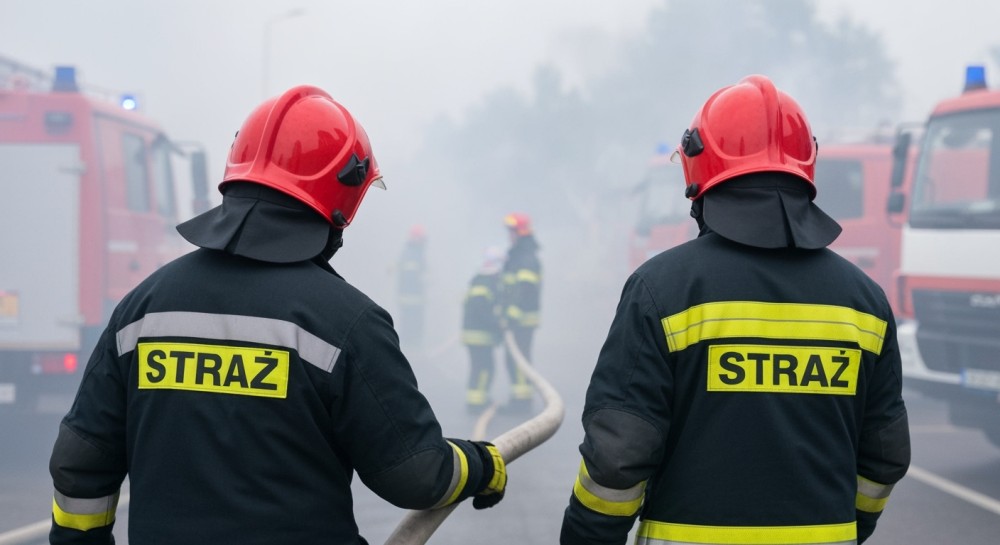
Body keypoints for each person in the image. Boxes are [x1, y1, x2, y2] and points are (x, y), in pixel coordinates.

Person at [47, 85, 506, 545]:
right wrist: (483, 465)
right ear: (343, 194)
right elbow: (416, 474)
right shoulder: (348, 323)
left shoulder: (141, 310)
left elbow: (81, 460)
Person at [560, 75, 910, 545]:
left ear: (696, 168)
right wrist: (850, 526)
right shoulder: (865, 302)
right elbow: (885, 454)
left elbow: (618, 457)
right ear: (806, 166)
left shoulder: (660, 290)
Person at [498, 212, 542, 414]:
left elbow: (526, 289)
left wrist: (512, 314)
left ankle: (521, 402)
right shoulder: (518, 254)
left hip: (522, 320)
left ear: (521, 232)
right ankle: (519, 399)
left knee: (519, 359)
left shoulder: (525, 257)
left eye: (512, 231)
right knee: (515, 359)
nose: (509, 235)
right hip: (517, 319)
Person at [461, 246, 505, 413]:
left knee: (481, 367)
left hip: (477, 335)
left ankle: (479, 399)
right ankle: (476, 403)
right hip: (479, 335)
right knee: (483, 368)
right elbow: (481, 310)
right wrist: (497, 324)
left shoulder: (481, 280)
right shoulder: (485, 282)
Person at [396, 224, 427, 350]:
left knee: (410, 325)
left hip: (412, 299)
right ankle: (411, 350)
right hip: (412, 299)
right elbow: (413, 277)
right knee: (411, 325)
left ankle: (411, 348)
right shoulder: (413, 254)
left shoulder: (411, 253)